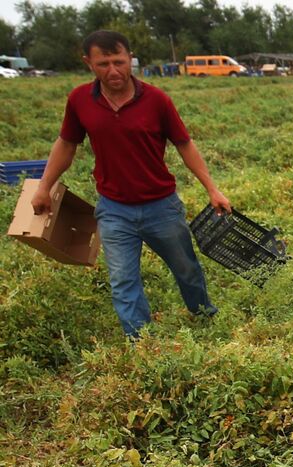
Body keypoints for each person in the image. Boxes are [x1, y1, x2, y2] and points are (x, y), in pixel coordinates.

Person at [31, 30, 227, 339]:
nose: (113, 71)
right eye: (103, 63)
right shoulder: (80, 100)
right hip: (114, 209)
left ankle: (204, 317)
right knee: (123, 280)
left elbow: (184, 144)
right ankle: (142, 343)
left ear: (131, 59)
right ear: (88, 63)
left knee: (186, 269)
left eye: (120, 62)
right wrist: (44, 187)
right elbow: (66, 145)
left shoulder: (157, 100)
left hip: (161, 205)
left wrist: (212, 189)